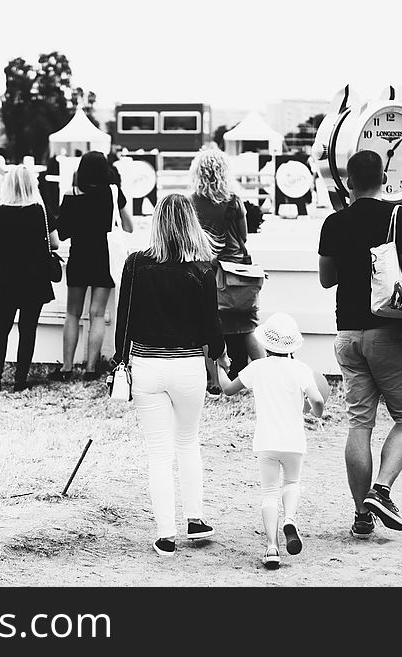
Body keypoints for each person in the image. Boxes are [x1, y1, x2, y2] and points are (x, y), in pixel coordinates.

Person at [318, 150, 402, 537]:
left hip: (348, 335)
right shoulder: (400, 217)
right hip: (390, 333)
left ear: (349, 183)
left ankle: (361, 516)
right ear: (384, 178)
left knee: (359, 425)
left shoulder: (333, 222)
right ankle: (381, 490)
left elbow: (326, 279)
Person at [113, 193, 229, 557]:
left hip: (147, 366)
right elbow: (212, 330)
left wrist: (122, 359)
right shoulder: (203, 270)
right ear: (191, 224)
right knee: (188, 442)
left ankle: (166, 533)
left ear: (157, 223)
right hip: (189, 366)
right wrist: (223, 358)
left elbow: (123, 322)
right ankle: (195, 518)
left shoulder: (135, 265)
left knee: (158, 453)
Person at [217, 313, 324, 569]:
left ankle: (272, 547)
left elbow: (229, 389)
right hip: (294, 441)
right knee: (292, 482)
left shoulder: (258, 367)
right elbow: (318, 400)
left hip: (266, 441)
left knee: (268, 493)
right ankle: (289, 518)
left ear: (266, 343)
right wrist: (314, 412)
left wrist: (220, 368)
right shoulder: (301, 370)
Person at [188, 146, 265, 396]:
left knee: (208, 329)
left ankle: (213, 383)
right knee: (247, 329)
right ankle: (267, 376)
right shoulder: (233, 200)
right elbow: (243, 235)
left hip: (206, 273)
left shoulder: (192, 202)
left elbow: (190, 239)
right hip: (237, 274)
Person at [51, 151, 133, 382]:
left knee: (72, 313)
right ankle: (90, 369)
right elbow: (129, 226)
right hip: (104, 258)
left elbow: (63, 231)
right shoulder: (113, 193)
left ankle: (67, 368)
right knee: (97, 315)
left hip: (79, 257)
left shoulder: (71, 194)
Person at [0, 165, 59, 392]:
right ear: (33, 185)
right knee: (28, 330)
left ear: (8, 186)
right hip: (34, 281)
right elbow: (55, 243)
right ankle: (20, 381)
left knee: (1, 329)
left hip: (6, 280)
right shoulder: (41, 212)